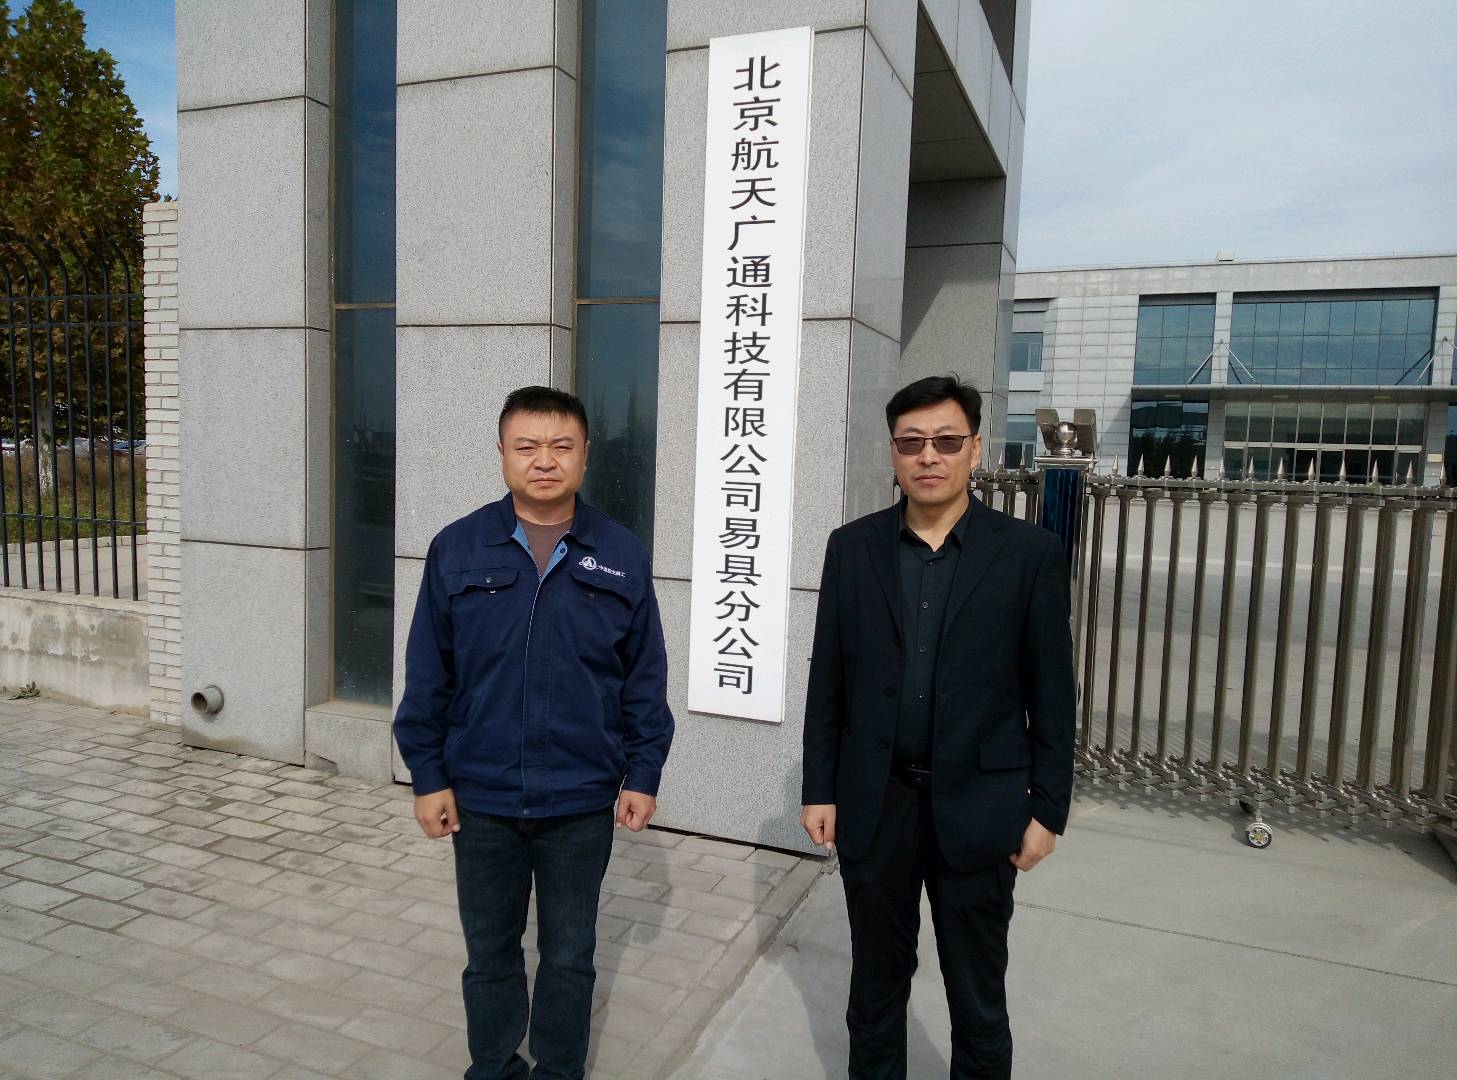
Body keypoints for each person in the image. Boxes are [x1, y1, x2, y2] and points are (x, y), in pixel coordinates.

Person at [394, 385, 674, 1080]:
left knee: (570, 955)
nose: (543, 461)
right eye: (527, 446)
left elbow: (643, 678)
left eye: (560, 446)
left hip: (579, 799)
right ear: (502, 454)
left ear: (585, 455)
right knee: (489, 953)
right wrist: (428, 778)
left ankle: (558, 1071)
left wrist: (642, 774)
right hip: (482, 796)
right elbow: (427, 674)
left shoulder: (620, 552)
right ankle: (493, 1068)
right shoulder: (458, 547)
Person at [800, 375, 1075, 1079]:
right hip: (877, 802)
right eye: (912, 442)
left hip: (980, 809)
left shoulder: (1028, 553)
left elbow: (1051, 693)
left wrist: (1048, 809)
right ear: (892, 452)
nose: (929, 456)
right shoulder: (852, 548)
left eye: (947, 442)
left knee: (977, 997)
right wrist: (819, 787)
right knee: (874, 989)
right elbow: (828, 680)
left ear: (975, 449)